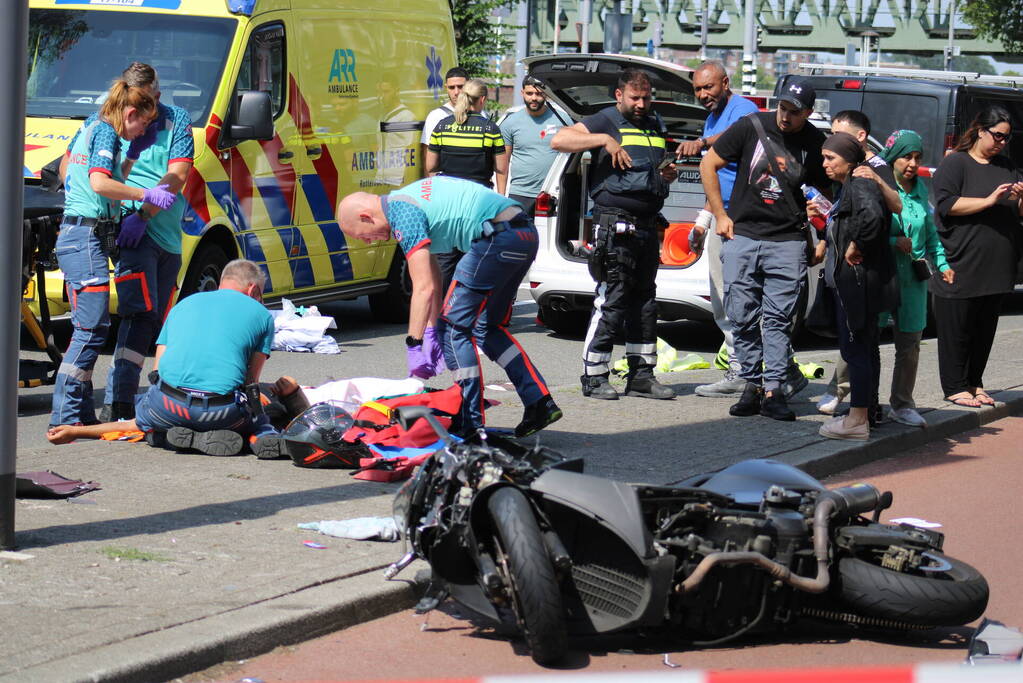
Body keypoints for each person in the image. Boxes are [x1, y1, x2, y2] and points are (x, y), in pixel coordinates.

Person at [336, 176, 561, 438]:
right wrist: (431, 330)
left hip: (495, 239)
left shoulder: (402, 214)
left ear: (366, 216)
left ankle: (470, 422)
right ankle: (539, 401)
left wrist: (414, 343)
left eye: (361, 236)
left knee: (454, 330)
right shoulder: (410, 199)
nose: (368, 241)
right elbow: (434, 279)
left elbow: (422, 288)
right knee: (487, 328)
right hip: (522, 235)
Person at [47, 260, 284, 458]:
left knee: (143, 414)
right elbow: (251, 381)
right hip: (221, 414)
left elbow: (156, 373)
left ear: (222, 282)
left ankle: (165, 433)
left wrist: (74, 431)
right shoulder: (262, 315)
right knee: (259, 417)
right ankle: (261, 436)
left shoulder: (184, 304)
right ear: (253, 290)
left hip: (168, 408)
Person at [699, 78, 829, 421]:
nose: (786, 117)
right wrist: (721, 215)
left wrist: (826, 239)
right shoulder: (751, 126)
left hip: (787, 242)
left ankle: (773, 390)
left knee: (778, 320)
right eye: (783, 108)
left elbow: (832, 192)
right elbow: (707, 164)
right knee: (741, 316)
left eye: (795, 112)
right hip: (743, 236)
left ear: (808, 113)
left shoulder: (816, 142)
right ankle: (751, 385)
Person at [48, 79, 174, 429]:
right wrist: (146, 193)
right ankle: (65, 415)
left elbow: (78, 173)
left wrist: (131, 157)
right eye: (144, 124)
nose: (143, 131)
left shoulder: (99, 131)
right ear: (130, 112)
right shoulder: (104, 130)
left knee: (94, 326)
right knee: (90, 328)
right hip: (84, 236)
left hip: (86, 235)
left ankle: (80, 416)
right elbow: (101, 183)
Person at [75, 63, 194, 423]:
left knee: (154, 317)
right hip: (129, 228)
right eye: (146, 101)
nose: (153, 107)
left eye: (155, 99)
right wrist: (117, 211)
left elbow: (179, 174)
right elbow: (72, 164)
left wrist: (147, 214)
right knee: (138, 314)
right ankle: (121, 401)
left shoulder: (176, 120)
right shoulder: (104, 120)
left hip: (163, 231)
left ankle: (125, 399)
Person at [550, 68, 678, 402]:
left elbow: (649, 170)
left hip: (648, 222)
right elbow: (559, 139)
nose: (641, 103)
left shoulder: (655, 123)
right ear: (619, 95)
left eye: (646, 97)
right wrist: (603, 139)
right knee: (613, 298)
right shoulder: (606, 120)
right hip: (615, 224)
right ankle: (594, 377)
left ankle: (641, 375)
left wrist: (666, 175)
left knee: (646, 301)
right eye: (635, 97)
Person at [930, 107, 1023, 408]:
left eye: (1007, 138)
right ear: (980, 130)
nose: (1002, 143)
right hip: (962, 262)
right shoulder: (956, 163)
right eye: (997, 135)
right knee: (958, 328)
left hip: (997, 267)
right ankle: (954, 386)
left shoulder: (1006, 166)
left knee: (984, 330)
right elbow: (946, 204)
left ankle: (974, 382)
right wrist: (988, 200)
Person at [816, 110, 903, 419]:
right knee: (861, 348)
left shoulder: (865, 176)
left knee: (859, 349)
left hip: (860, 280)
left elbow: (881, 213)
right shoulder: (852, 179)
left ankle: (860, 416)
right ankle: (865, 413)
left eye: (830, 156)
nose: (824, 163)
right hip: (853, 278)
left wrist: (857, 244)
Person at [680, 62, 759, 398]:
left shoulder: (744, 109)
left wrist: (702, 142)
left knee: (740, 297)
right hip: (721, 216)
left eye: (708, 88)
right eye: (698, 89)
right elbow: (718, 181)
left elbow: (740, 133)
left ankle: (748, 370)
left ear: (725, 83)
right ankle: (742, 366)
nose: (703, 95)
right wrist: (702, 222)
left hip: (743, 218)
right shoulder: (712, 117)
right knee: (721, 299)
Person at [877, 129, 954, 427]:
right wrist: (892, 242)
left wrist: (943, 263)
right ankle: (842, 392)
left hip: (913, 278)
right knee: (864, 336)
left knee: (909, 343)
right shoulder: (879, 185)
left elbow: (931, 233)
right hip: (882, 274)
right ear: (893, 157)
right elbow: (863, 230)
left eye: (917, 157)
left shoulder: (921, 189)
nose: (912, 163)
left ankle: (902, 404)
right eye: (906, 156)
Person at [426, 78, 508, 295]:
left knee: (445, 260)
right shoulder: (490, 129)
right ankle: (465, 311)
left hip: (446, 204)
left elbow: (431, 166)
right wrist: (501, 202)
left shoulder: (442, 126)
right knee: (473, 259)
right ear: (482, 99)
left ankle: (439, 313)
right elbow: (501, 169)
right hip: (477, 203)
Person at [499, 74, 566, 216]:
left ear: (546, 94)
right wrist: (501, 198)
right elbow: (502, 166)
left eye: (539, 93)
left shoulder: (563, 120)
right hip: (520, 194)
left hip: (553, 194)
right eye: (529, 93)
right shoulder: (510, 123)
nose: (534, 98)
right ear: (522, 93)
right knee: (519, 237)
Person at [419, 66, 470, 164]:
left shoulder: (481, 114)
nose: (456, 92)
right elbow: (427, 154)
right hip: (445, 177)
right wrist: (431, 179)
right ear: (446, 87)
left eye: (460, 87)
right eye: (451, 87)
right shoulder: (436, 116)